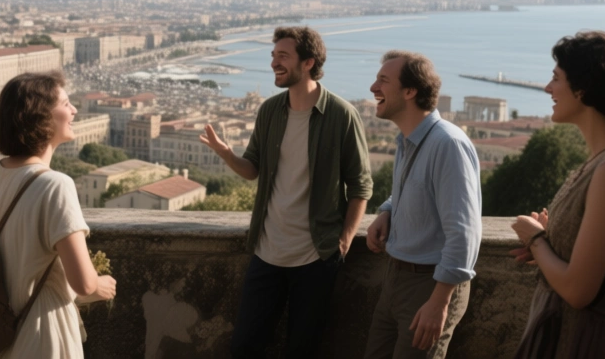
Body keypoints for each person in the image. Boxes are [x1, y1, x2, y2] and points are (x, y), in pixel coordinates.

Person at [200, 26, 372, 358]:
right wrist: (226, 154)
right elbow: (252, 169)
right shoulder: (270, 111)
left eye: (283, 56)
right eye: (273, 55)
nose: (274, 63)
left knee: (302, 349)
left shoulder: (341, 115)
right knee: (244, 347)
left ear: (308, 63)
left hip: (316, 257)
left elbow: (360, 185)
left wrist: (344, 241)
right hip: (267, 252)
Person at [0, 71, 116, 359]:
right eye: (65, 104)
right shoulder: (56, 185)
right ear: (41, 117)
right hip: (42, 337)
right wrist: (101, 286)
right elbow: (83, 283)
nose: (74, 110)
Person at [364, 50, 481, 359]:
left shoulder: (447, 144)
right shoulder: (408, 140)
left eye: (383, 80)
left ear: (410, 91)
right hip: (396, 278)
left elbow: (464, 233)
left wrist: (439, 302)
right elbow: (415, 189)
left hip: (429, 286)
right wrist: (388, 210)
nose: (373, 87)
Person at [511, 31, 605, 358]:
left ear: (583, 88)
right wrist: (549, 242)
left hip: (584, 341)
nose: (547, 88)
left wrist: (536, 239)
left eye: (556, 78)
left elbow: (579, 291)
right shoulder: (595, 163)